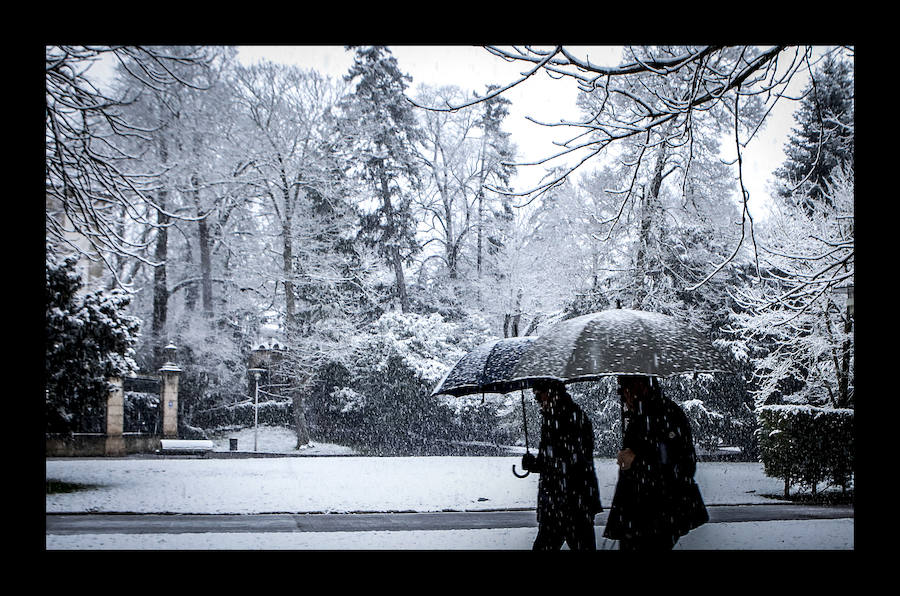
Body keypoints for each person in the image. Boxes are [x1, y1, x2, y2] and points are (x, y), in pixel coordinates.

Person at [603, 375, 709, 550]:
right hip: (641, 515)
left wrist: (636, 461)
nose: (623, 396)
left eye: (624, 389)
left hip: (656, 516)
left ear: (640, 386)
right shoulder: (641, 416)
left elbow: (680, 466)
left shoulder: (665, 415)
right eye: (620, 391)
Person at [521, 379, 603, 550]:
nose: (537, 399)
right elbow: (558, 460)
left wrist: (538, 464)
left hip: (569, 504)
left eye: (538, 394)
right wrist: (536, 464)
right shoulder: (558, 417)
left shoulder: (567, 418)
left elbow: (568, 462)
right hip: (568, 503)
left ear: (551, 393)